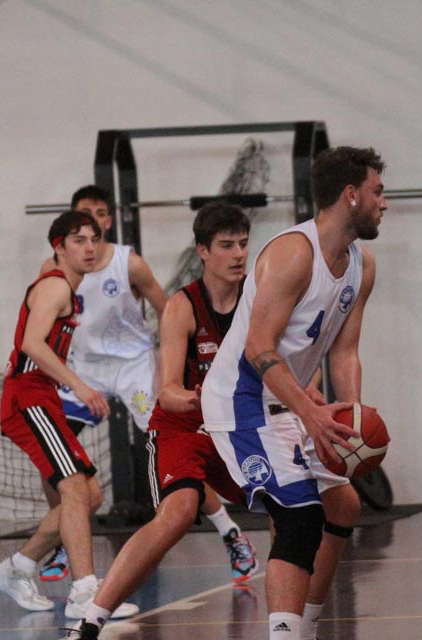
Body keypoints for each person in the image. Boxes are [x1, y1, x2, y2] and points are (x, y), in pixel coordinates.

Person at [201, 146, 387, 640]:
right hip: (241, 398)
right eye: (377, 192)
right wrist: (310, 413)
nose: (384, 203)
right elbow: (258, 348)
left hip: (288, 400)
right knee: (300, 517)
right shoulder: (292, 254)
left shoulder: (362, 265)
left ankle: (306, 628)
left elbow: (344, 353)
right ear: (351, 195)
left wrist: (350, 419)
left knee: (344, 507)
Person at [38, 186, 254, 587]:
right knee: (51, 456)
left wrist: (173, 366)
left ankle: (229, 531)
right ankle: (65, 534)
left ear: (108, 221)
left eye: (100, 213)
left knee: (176, 450)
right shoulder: (53, 269)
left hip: (133, 366)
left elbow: (168, 309)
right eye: (84, 214)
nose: (93, 221)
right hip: (85, 368)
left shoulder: (129, 263)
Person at [0, 209, 138, 620]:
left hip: (43, 396)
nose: (89, 248)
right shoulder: (54, 286)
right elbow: (33, 344)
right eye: (78, 241)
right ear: (59, 248)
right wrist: (81, 387)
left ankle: (18, 567)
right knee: (73, 488)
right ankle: (85, 592)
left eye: (94, 240)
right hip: (27, 396)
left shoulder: (60, 283)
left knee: (91, 495)